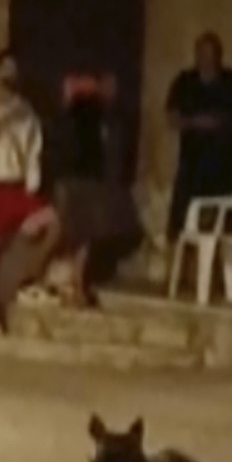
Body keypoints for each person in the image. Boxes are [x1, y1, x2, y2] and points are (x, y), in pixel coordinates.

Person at [0, 49, 58, 337]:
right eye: (4, 70)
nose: (9, 76)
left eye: (13, 71)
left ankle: (23, 281)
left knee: (51, 220)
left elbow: (33, 149)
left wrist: (32, 183)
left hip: (15, 184)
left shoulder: (26, 110)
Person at [49, 74, 141, 307]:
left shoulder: (108, 118)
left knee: (86, 235)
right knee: (74, 235)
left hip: (90, 179)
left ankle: (76, 284)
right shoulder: (75, 115)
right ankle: (71, 285)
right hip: (72, 178)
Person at [165, 32, 232, 241]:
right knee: (184, 222)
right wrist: (196, 123)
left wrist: (222, 123)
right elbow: (171, 118)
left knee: (230, 224)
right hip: (193, 166)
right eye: (201, 53)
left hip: (227, 167)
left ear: (219, 55)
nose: (206, 58)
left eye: (210, 53)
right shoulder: (184, 82)